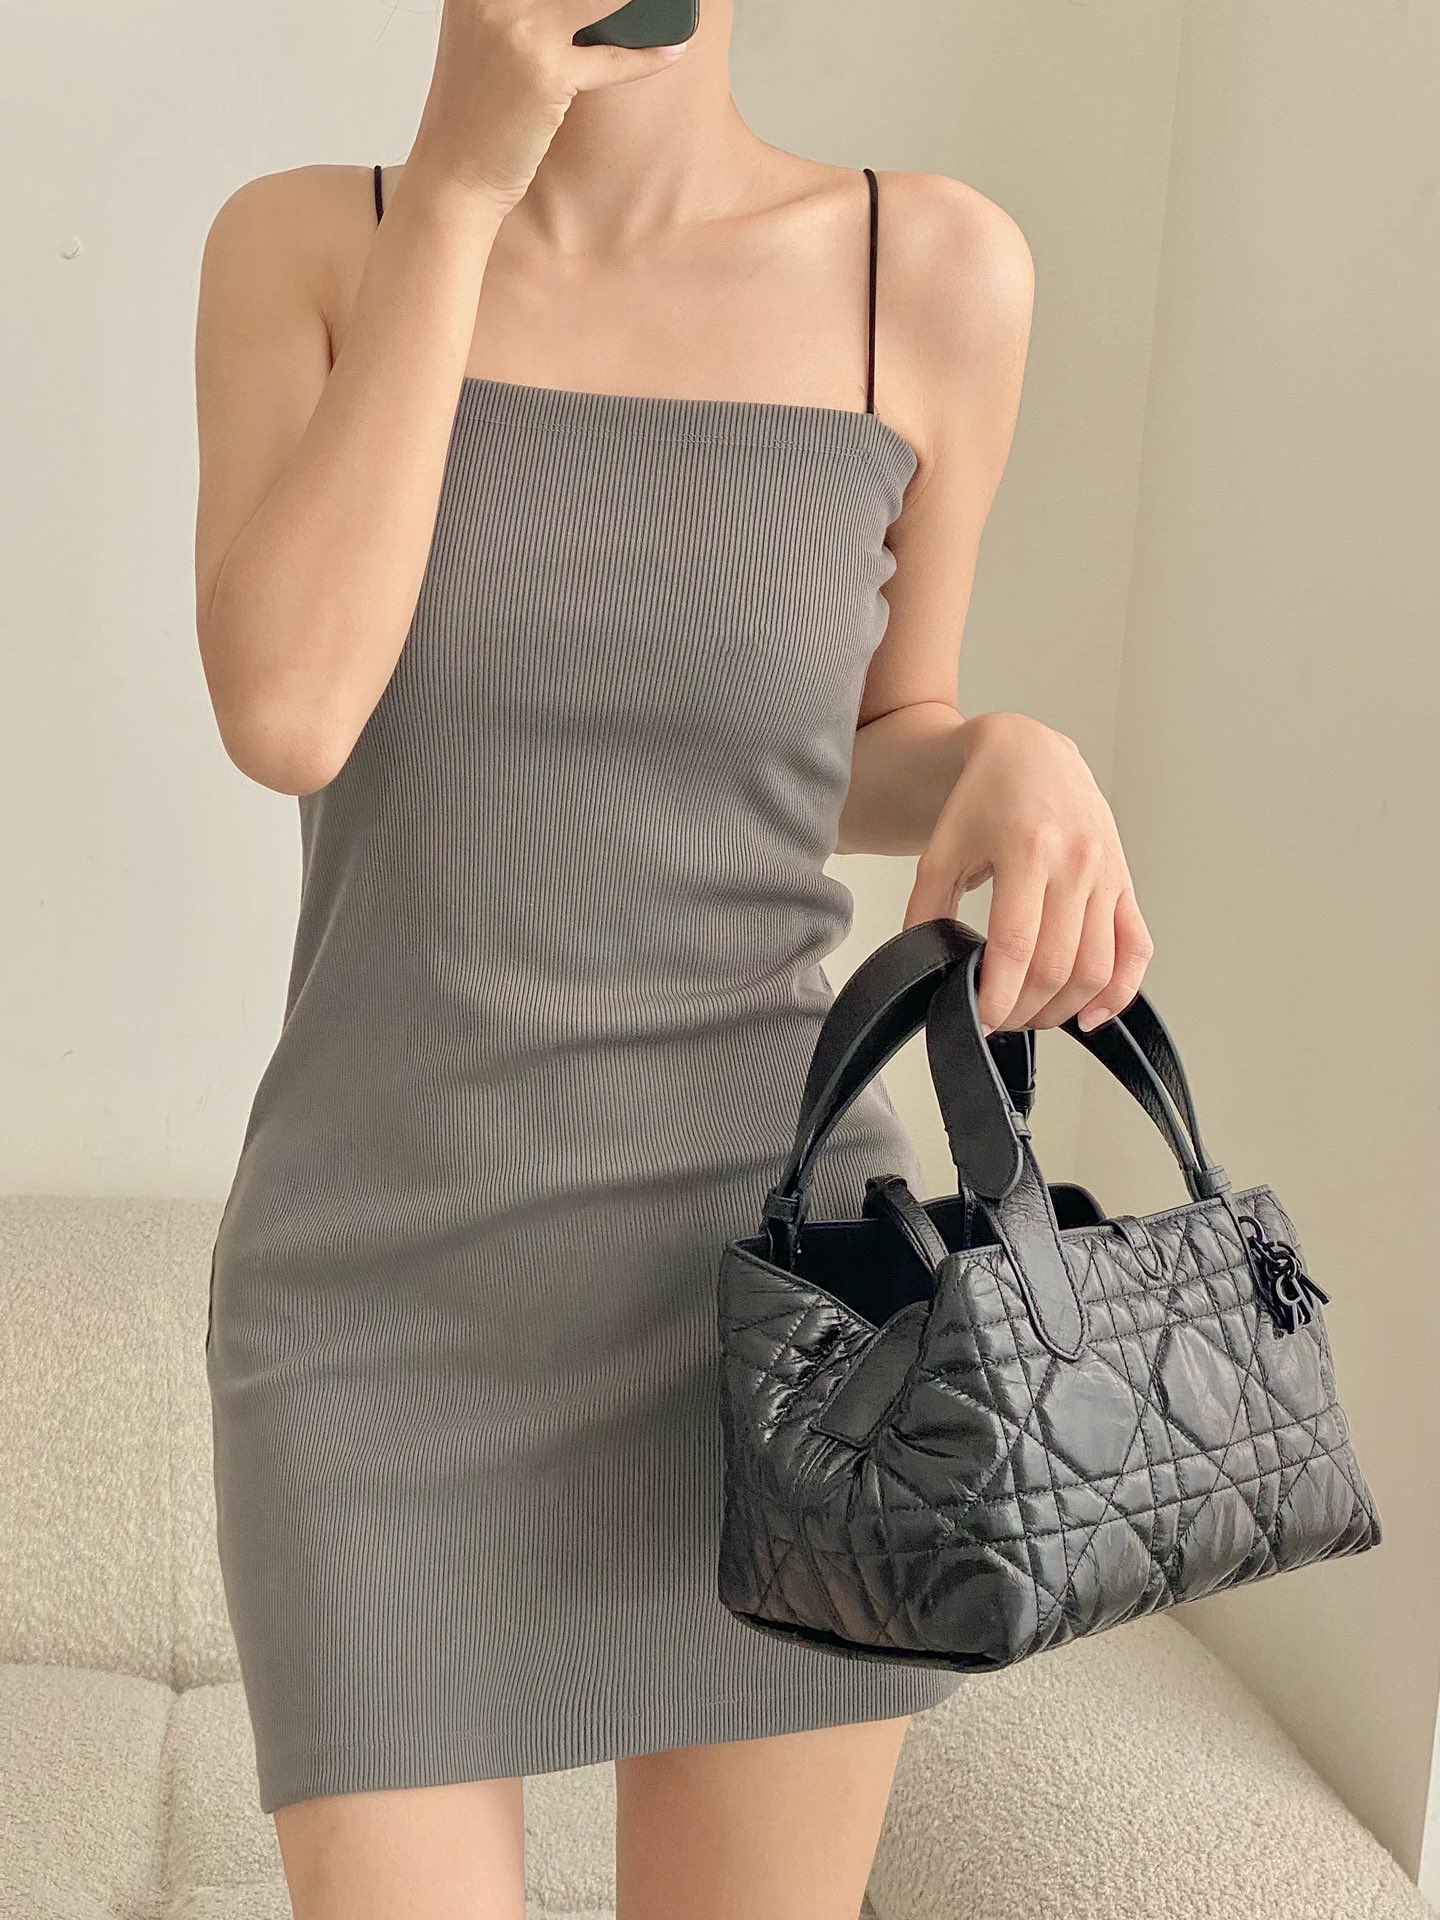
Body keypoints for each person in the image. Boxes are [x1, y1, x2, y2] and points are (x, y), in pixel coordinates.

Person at [191, 1, 1153, 1914]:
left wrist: (1006, 755)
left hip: (787, 1304)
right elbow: (289, 712)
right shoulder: (309, 246)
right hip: (377, 1302)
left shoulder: (926, 272)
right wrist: (460, 186)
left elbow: (864, 742)